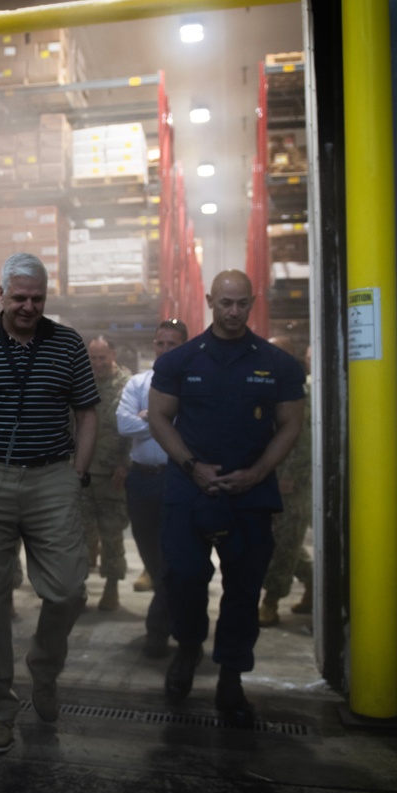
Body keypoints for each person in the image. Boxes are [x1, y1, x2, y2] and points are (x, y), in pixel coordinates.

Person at [0, 252, 99, 755]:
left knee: (69, 589)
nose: (29, 306)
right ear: (0, 293)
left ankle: (43, 669)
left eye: (38, 298)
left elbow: (87, 411)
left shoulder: (67, 343)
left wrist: (76, 476)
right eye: (20, 297)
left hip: (53, 476)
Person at [147, 270, 305, 727]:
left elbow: (290, 424)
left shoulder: (278, 364)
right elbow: (159, 416)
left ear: (252, 303)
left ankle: (231, 677)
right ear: (210, 301)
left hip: (249, 496)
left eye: (241, 304)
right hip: (188, 490)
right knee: (183, 577)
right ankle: (189, 649)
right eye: (225, 303)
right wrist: (191, 467)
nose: (233, 312)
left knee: (243, 589)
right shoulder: (180, 360)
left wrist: (257, 472)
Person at [115, 318, 189, 657]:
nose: (164, 349)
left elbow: (190, 429)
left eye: (171, 344)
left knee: (171, 558)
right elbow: (122, 423)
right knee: (151, 557)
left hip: (177, 478)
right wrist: (163, 421)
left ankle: (157, 630)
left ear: (183, 346)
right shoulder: (137, 383)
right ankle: (175, 617)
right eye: (160, 343)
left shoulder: (193, 384)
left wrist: (149, 418)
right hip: (142, 481)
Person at [259, 338, 314, 626]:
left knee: (283, 543)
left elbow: (301, 441)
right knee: (285, 541)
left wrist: (289, 474)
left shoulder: (297, 390)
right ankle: (315, 584)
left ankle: (271, 600)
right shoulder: (266, 385)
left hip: (290, 482)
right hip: (267, 476)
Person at [81, 335, 132, 611]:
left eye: (102, 357)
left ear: (113, 354)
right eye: (93, 357)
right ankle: (78, 588)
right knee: (79, 534)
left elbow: (135, 432)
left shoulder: (128, 386)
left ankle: (112, 587)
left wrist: (126, 464)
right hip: (83, 474)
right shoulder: (81, 384)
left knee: (112, 536)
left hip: (113, 476)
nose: (97, 363)